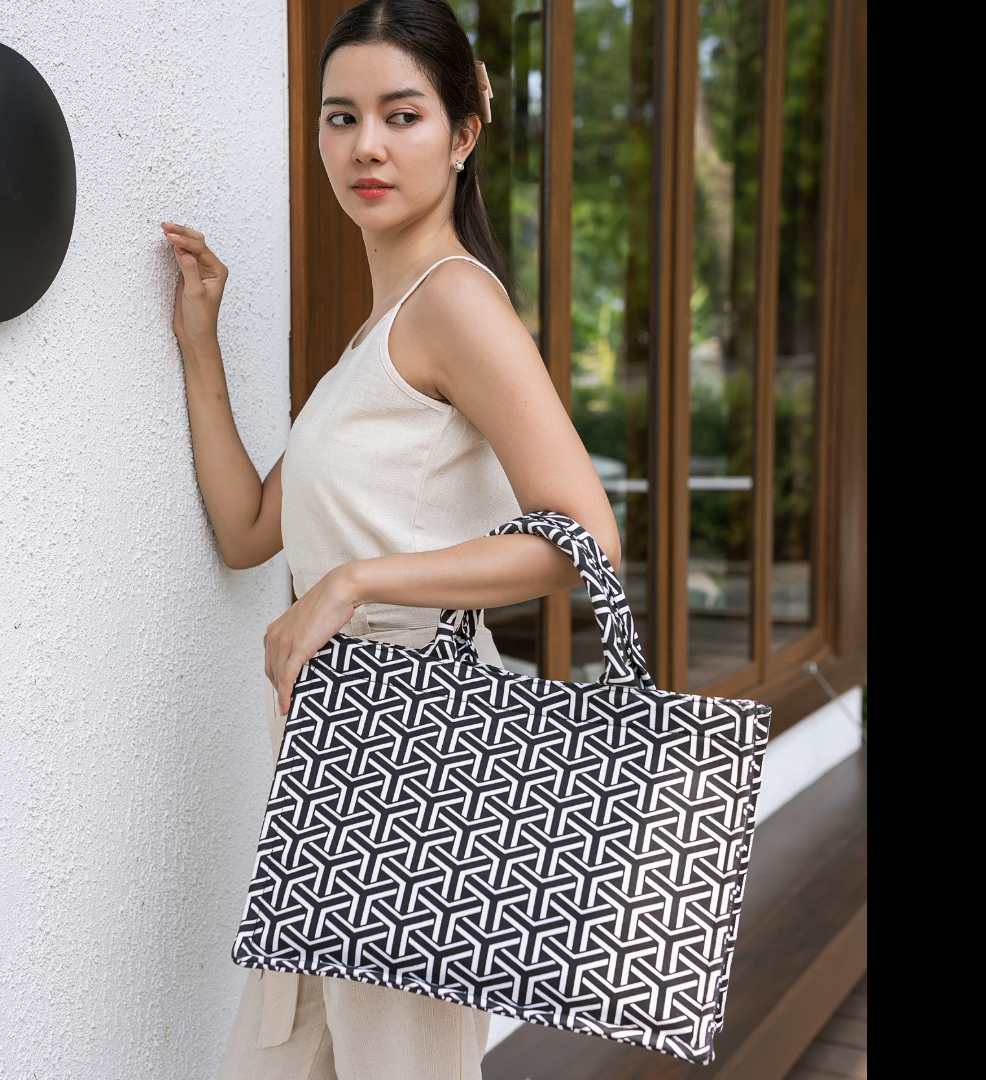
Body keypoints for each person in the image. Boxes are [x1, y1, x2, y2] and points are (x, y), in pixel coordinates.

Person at [161, 1, 619, 1077]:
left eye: (401, 114)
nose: (365, 144)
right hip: (331, 762)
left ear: (463, 134)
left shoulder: (456, 303)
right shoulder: (377, 334)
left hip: (413, 759)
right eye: (340, 116)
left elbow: (580, 535)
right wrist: (200, 345)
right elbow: (245, 531)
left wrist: (354, 584)